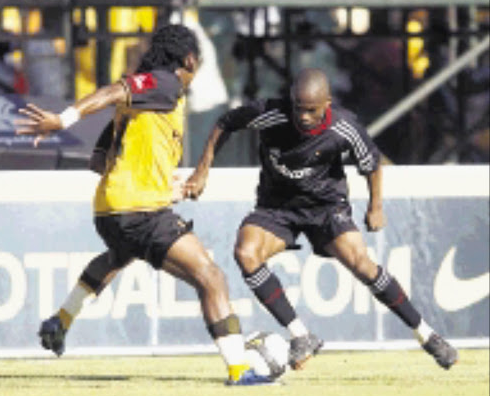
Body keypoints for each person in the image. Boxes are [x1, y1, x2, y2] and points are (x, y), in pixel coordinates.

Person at [14, 24, 274, 386]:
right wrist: (63, 120)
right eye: (195, 61)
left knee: (118, 255)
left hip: (110, 209)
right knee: (210, 278)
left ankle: (61, 320)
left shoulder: (141, 106)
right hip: (138, 209)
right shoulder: (164, 83)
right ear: (188, 59)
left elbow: (100, 162)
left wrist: (165, 186)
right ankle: (240, 369)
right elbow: (114, 89)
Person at [185, 68, 459, 371]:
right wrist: (202, 170)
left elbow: (372, 164)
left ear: (327, 103)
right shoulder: (271, 113)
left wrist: (375, 206)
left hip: (326, 207)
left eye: (312, 111)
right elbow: (226, 123)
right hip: (277, 207)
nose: (303, 117)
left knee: (362, 265)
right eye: (298, 109)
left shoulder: (345, 127)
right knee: (246, 254)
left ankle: (427, 334)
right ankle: (301, 335)